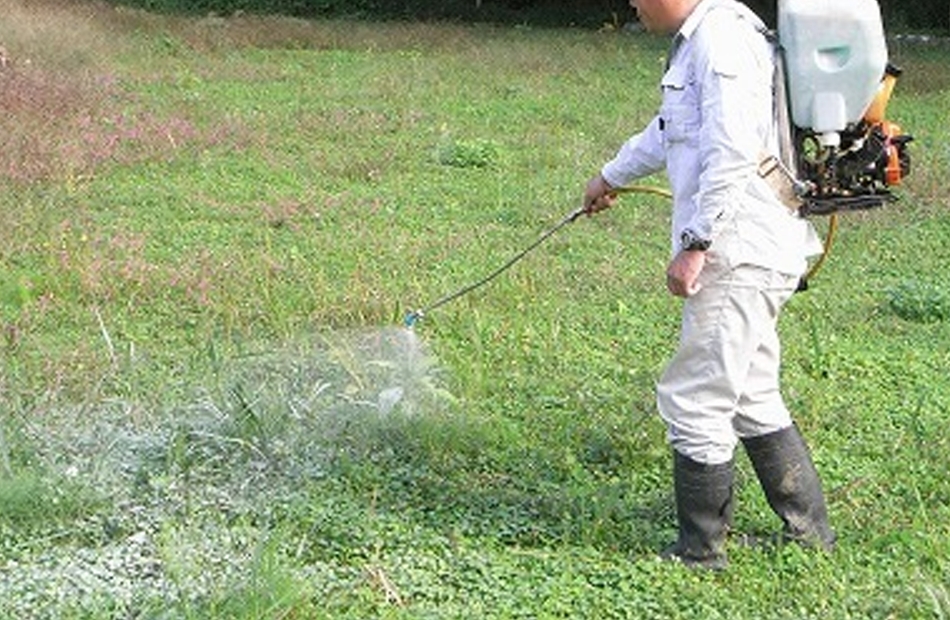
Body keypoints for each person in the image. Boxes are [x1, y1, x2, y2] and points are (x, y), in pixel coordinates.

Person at [582, 0, 836, 569]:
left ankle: (701, 551)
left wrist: (697, 244)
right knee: (748, 390)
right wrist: (609, 176)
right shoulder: (706, 37)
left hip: (736, 250)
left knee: (695, 395)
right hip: (748, 246)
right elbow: (671, 128)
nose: (631, 3)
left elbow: (731, 150)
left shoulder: (721, 40)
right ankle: (808, 532)